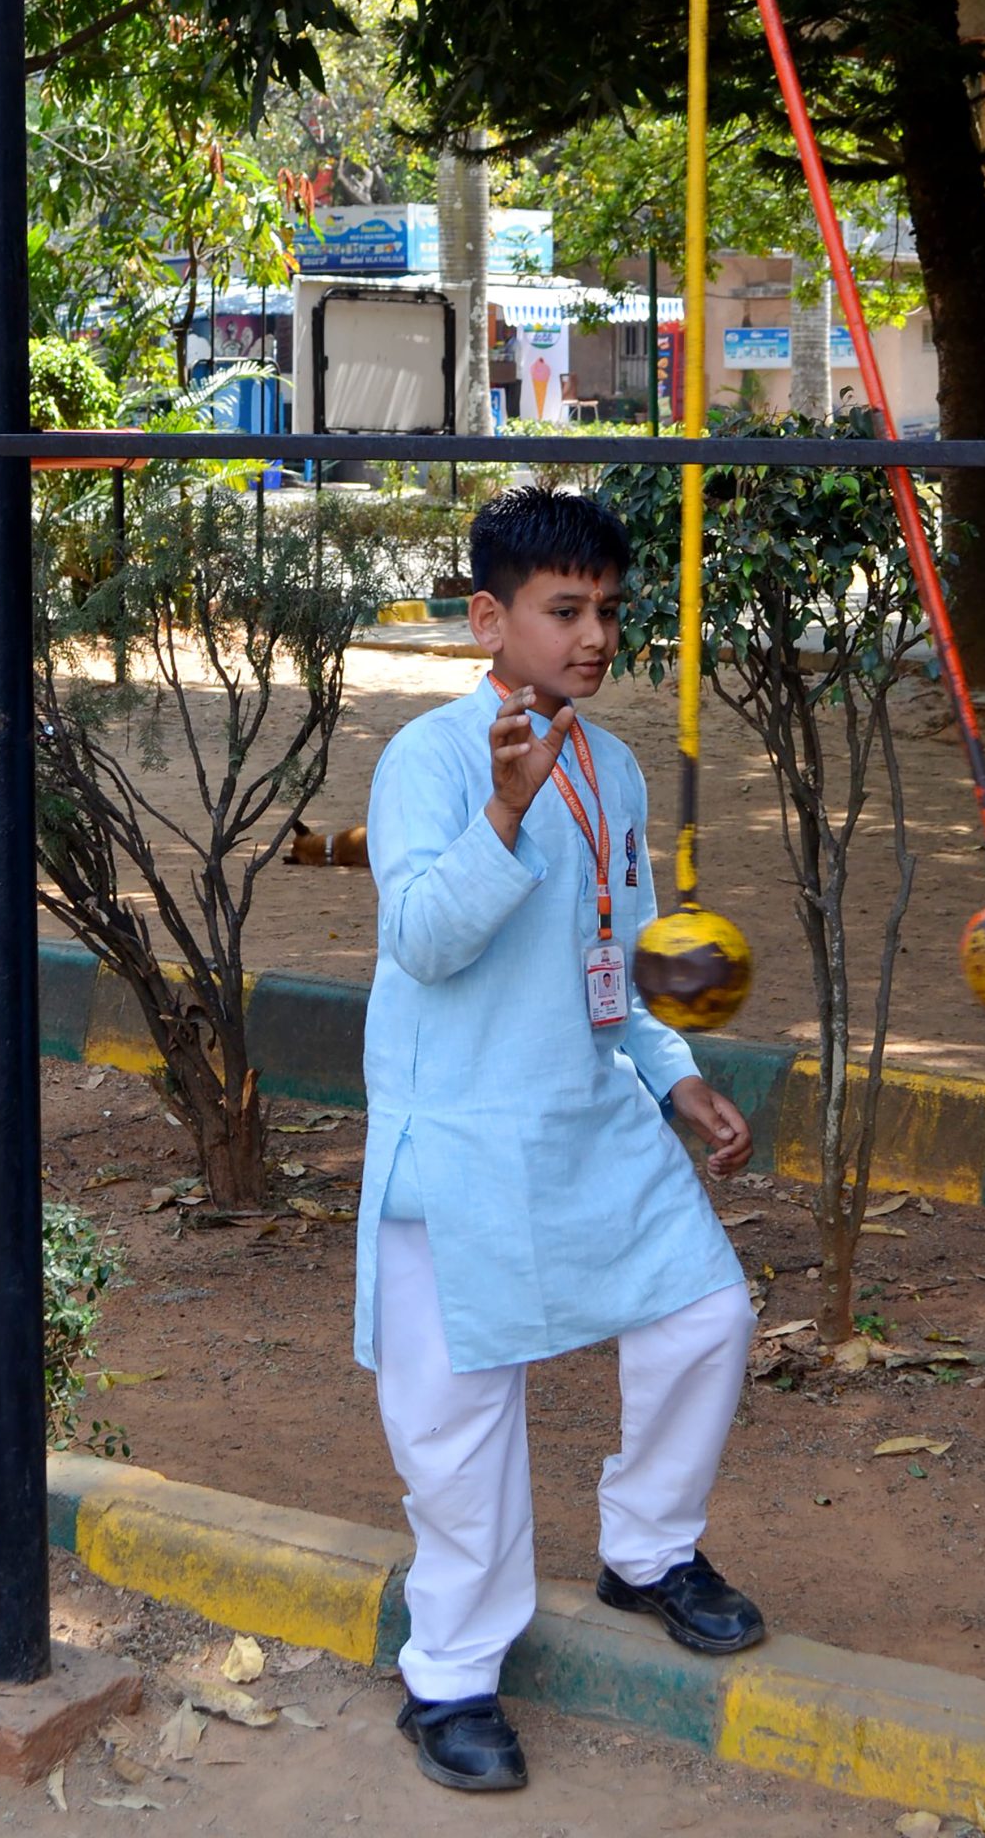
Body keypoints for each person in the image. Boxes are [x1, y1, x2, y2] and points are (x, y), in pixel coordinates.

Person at [356, 484, 762, 1795]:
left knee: (706, 1317)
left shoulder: (614, 763)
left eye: (605, 611)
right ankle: (451, 1681)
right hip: (461, 1143)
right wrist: (504, 815)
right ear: (490, 618)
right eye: (562, 611)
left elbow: (623, 954)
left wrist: (675, 1076)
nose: (592, 637)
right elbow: (423, 939)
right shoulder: (431, 758)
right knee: (458, 1429)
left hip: (592, 1117)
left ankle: (646, 1550)